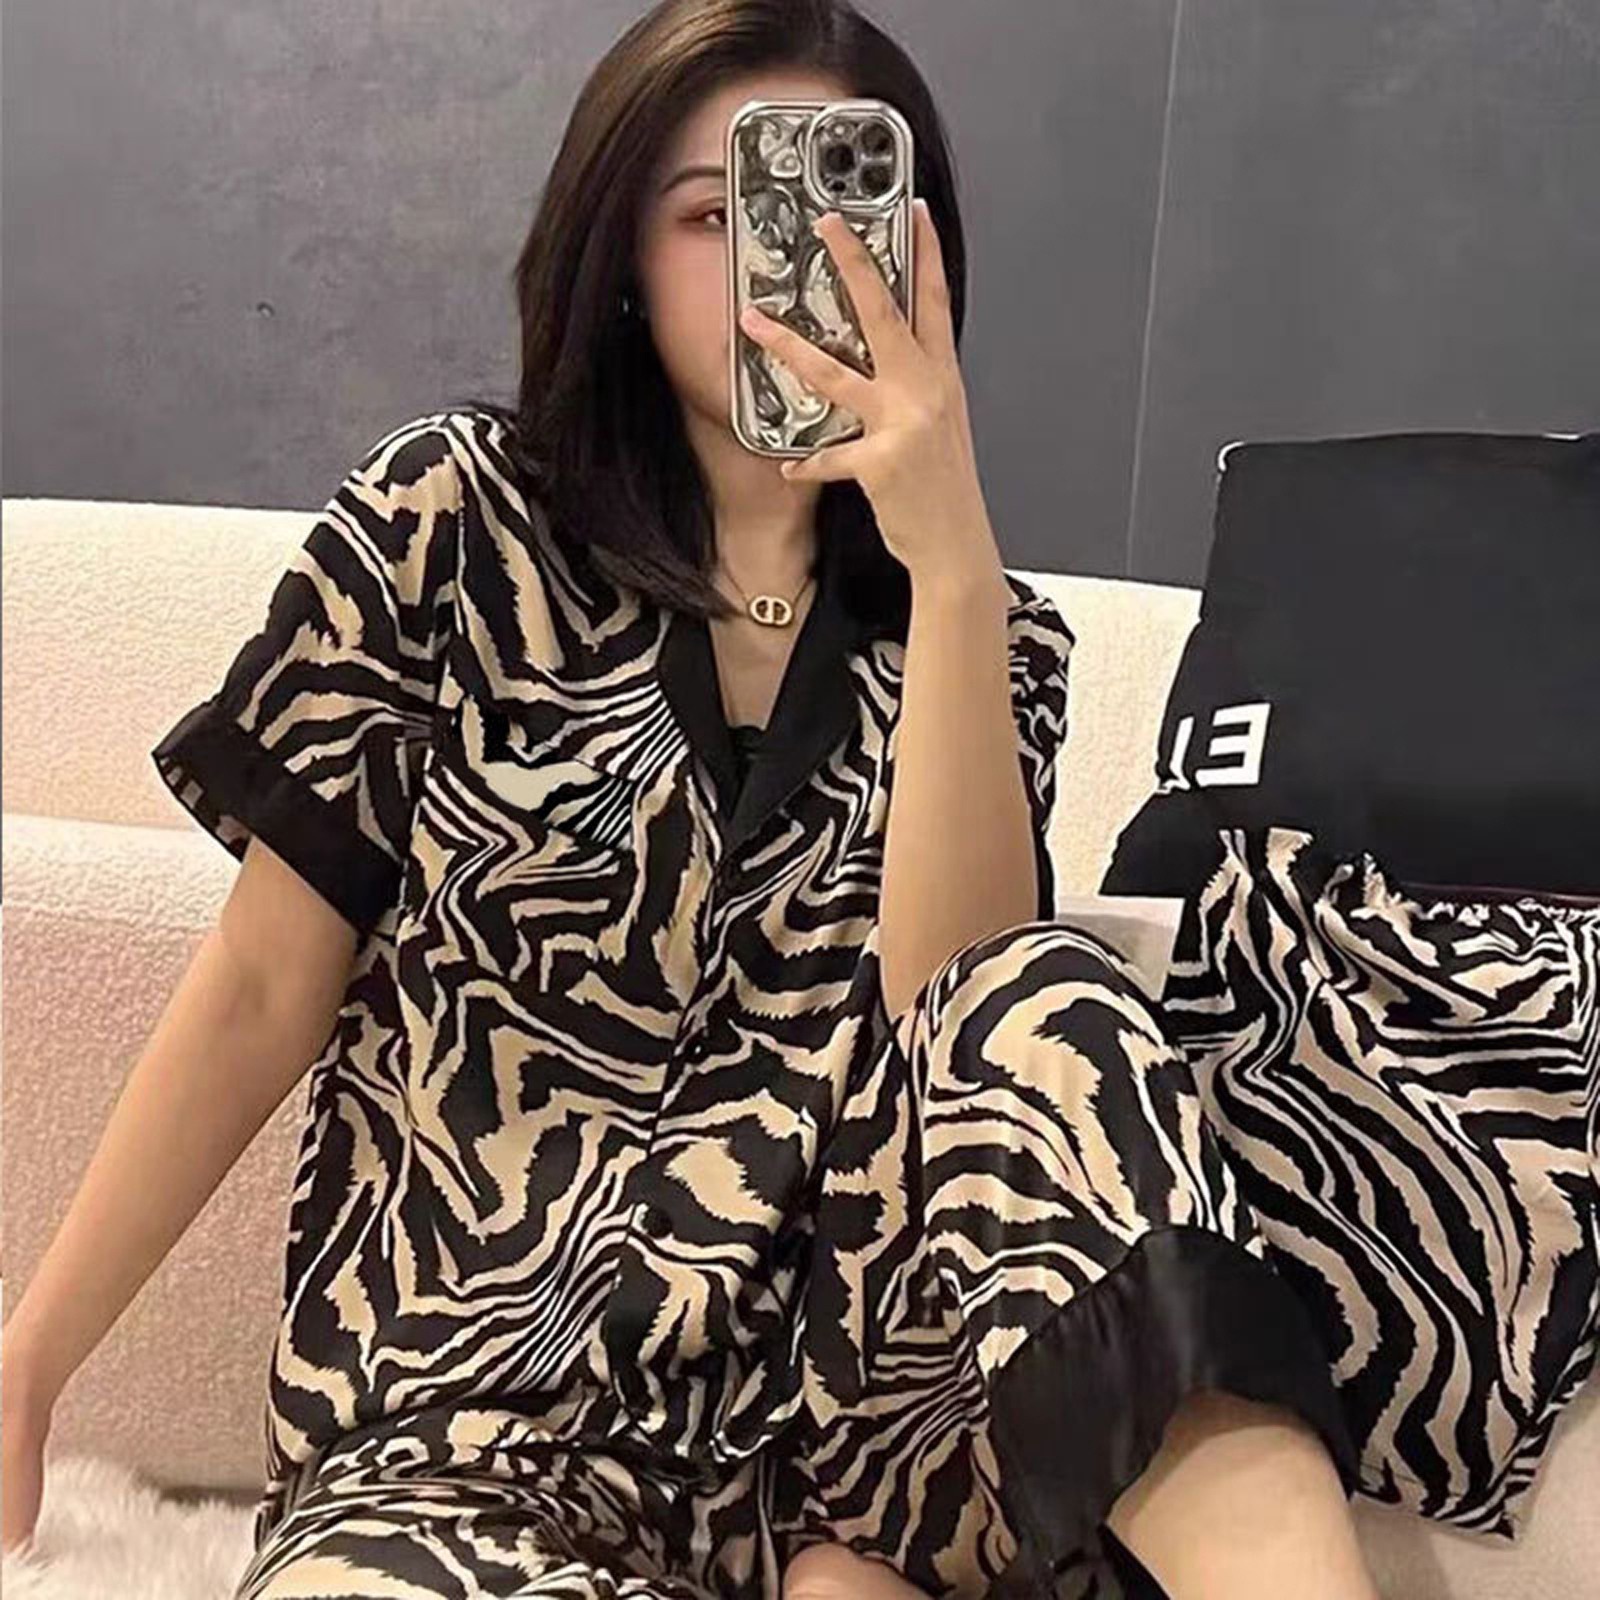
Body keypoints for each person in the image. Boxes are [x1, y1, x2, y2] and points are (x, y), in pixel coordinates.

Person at [0, 3, 1384, 1598]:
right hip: (469, 1433)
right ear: (620, 256)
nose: (774, 269)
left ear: (919, 258)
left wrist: (950, 560)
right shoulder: (449, 526)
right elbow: (258, 986)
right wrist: (32, 1359)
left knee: (1042, 995)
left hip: (851, 1437)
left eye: (832, 212)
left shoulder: (985, 636)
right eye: (713, 216)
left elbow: (962, 1028)